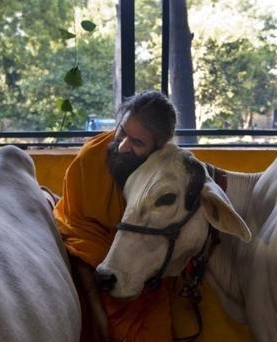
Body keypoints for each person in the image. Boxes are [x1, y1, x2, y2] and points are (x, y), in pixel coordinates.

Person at [54, 90, 251, 341]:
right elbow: (75, 229)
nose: (123, 146)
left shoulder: (162, 171)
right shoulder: (89, 160)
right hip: (92, 278)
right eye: (122, 132)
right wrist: (95, 303)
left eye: (137, 143)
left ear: (158, 148)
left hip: (147, 283)